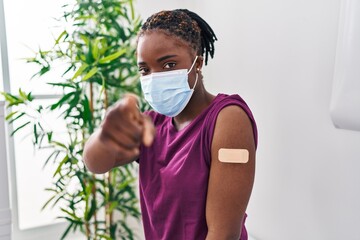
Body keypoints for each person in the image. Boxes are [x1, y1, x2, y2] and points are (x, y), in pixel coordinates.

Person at [83, 9, 258, 240]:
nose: (154, 77)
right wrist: (107, 132)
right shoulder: (149, 125)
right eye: (144, 69)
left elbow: (223, 235)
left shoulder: (229, 119)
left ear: (197, 63)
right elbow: (95, 163)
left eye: (168, 65)